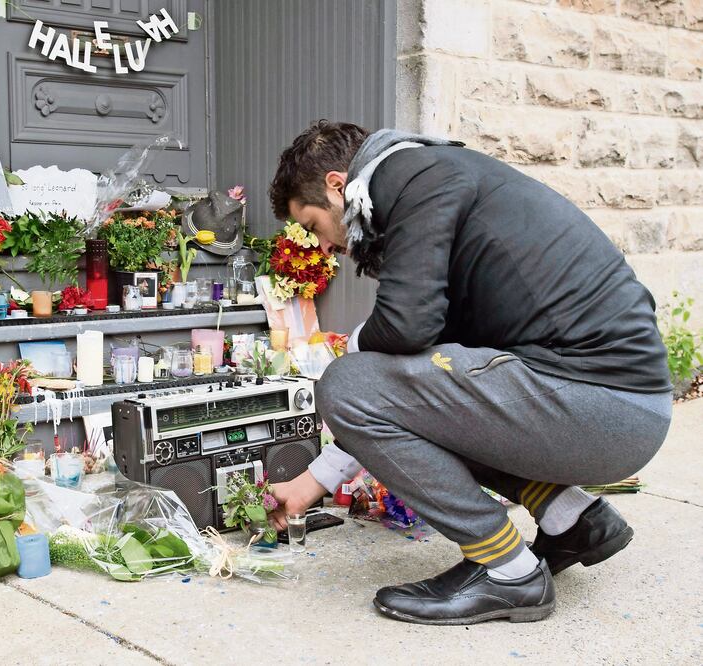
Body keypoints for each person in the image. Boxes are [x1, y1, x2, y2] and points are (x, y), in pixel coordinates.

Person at [266, 121, 673, 625]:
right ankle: (571, 519)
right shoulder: (434, 175)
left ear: (336, 186)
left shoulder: (412, 178)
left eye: (312, 225)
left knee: (347, 383)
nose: (322, 247)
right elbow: (416, 391)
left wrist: (350, 348)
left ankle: (508, 571)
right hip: (618, 406)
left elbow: (405, 328)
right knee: (401, 390)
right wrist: (313, 483)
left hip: (599, 405)